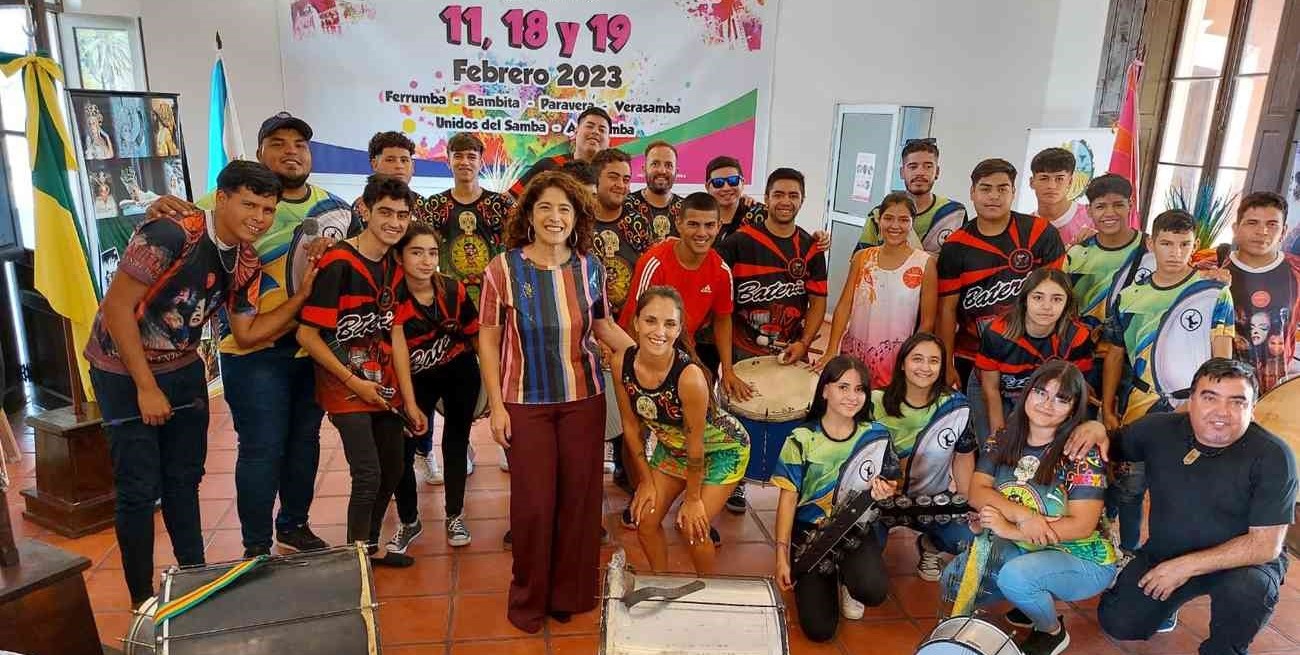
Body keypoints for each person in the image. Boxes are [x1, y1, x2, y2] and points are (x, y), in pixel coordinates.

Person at [149, 112, 357, 557]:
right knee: (262, 447)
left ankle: (294, 525)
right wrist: (159, 209)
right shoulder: (225, 200)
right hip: (251, 350)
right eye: (277, 143)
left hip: (313, 347)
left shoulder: (338, 209)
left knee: (304, 442)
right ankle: (256, 547)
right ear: (259, 152)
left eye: (299, 143)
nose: (290, 151)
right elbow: (179, 228)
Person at [85, 161, 286, 606]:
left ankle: (193, 578)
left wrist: (306, 295)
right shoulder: (172, 233)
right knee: (139, 490)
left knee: (184, 479)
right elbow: (116, 309)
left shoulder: (246, 260)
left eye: (268, 209)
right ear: (222, 198)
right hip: (122, 370)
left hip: (182, 366)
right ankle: (141, 599)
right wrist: (145, 387)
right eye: (249, 204)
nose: (259, 217)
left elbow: (246, 332)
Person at [478, 171, 635, 633]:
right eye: (545, 207)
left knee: (579, 500)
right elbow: (488, 340)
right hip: (524, 401)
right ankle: (529, 599)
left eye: (564, 209)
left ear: (576, 217)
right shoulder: (501, 269)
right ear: (529, 215)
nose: (554, 217)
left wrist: (656, 357)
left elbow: (604, 327)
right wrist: (497, 406)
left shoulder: (590, 268)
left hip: (583, 398)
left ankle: (570, 593)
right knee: (534, 503)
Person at [1098, 358, 1296, 654]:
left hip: (1242, 565)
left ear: (1253, 408)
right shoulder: (1158, 430)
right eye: (1210, 398)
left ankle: (1224, 649)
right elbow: (1111, 444)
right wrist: (1093, 429)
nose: (1222, 412)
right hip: (1167, 551)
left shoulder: (1274, 456)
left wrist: (1184, 567)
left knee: (1247, 590)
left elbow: (1265, 546)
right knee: (1119, 622)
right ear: (1191, 400)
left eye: (1237, 401)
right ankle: (1168, 604)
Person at [940, 360, 1118, 655]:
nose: (1047, 404)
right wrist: (1026, 517)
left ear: (1073, 409)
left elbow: (1081, 525)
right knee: (954, 582)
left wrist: (1010, 528)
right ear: (1027, 393)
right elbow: (977, 492)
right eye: (1041, 392)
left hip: (1082, 558)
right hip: (1028, 546)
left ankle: (1051, 631)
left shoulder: (1080, 453)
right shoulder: (1003, 437)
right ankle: (1031, 599)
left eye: (1061, 399)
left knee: (1016, 577)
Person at [296, 176, 415, 567]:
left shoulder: (395, 265)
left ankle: (368, 545)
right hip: (344, 386)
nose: (394, 222)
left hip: (383, 385)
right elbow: (307, 335)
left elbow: (396, 333)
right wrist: (353, 381)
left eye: (402, 215)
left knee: (393, 467)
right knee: (367, 473)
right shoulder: (338, 263)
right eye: (385, 212)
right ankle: (355, 558)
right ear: (364, 210)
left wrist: (409, 400)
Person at [618, 192, 736, 538]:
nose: (702, 232)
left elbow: (723, 319)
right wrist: (635, 368)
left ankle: (698, 505)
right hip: (640, 349)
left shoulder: (721, 270)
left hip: (682, 353)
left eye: (710, 225)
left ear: (719, 226)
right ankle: (641, 491)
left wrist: (727, 369)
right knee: (636, 425)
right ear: (679, 224)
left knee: (694, 428)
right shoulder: (655, 262)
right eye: (694, 224)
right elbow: (634, 318)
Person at [717, 167, 829, 514]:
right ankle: (735, 480)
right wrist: (726, 366)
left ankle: (794, 485)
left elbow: (818, 301)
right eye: (778, 194)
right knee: (738, 420)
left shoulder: (811, 247)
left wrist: (805, 342)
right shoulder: (737, 244)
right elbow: (721, 308)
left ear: (802, 200)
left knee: (794, 419)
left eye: (793, 195)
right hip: (742, 349)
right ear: (765, 198)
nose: (785, 201)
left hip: (791, 349)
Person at [614, 286, 749, 572]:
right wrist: (645, 481)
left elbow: (695, 445)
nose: (659, 331)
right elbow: (630, 425)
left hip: (723, 450)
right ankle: (661, 583)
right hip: (673, 447)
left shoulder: (690, 378)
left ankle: (707, 591)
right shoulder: (621, 363)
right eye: (650, 320)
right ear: (636, 322)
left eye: (669, 324)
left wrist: (692, 498)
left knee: (693, 528)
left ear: (678, 330)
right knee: (645, 521)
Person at [772, 355, 899, 641]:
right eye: (843, 387)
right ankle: (826, 576)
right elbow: (788, 500)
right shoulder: (801, 438)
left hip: (855, 528)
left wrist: (887, 489)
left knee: (873, 591)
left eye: (859, 389)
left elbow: (892, 481)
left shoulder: (877, 435)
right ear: (825, 390)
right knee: (819, 631)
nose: (852, 397)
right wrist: (781, 556)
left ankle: (847, 578)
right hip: (811, 534)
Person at [413, 132, 512, 473]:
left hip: (495, 306)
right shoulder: (433, 207)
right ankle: (462, 444)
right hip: (450, 310)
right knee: (456, 378)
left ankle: (506, 441)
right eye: (459, 155)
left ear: (481, 161)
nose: (465, 162)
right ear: (449, 161)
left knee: (503, 375)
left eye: (472, 156)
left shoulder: (501, 206)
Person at [937, 158, 1065, 410]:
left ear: (1013, 192)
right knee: (979, 426)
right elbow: (947, 310)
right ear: (972, 193)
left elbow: (1059, 298)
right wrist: (947, 363)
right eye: (985, 188)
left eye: (1002, 188)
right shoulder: (955, 246)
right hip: (972, 358)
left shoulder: (1041, 232)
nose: (994, 196)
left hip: (1034, 359)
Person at [388, 223, 481, 551]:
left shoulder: (453, 291)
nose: (426, 261)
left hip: (460, 372)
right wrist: (410, 403)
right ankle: (409, 520)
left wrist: (492, 391)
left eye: (432, 252)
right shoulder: (392, 298)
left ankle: (454, 515)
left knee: (455, 442)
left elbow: (476, 337)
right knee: (401, 448)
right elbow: (397, 353)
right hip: (415, 379)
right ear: (399, 256)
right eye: (416, 252)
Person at [1101, 209, 1236, 428]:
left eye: (1184, 244)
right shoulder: (1128, 296)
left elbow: (1222, 363)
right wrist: (1107, 409)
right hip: (1139, 405)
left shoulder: (1212, 294)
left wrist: (1198, 404)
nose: (1175, 253)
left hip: (1195, 407)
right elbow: (1115, 354)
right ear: (1150, 244)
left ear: (1195, 245)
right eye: (1166, 244)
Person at [870, 333, 977, 581]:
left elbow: (963, 457)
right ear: (902, 363)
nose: (925, 367)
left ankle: (930, 545)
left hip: (933, 500)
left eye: (934, 361)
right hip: (880, 502)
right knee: (867, 569)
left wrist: (969, 504)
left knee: (970, 538)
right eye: (917, 359)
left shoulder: (956, 406)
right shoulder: (875, 402)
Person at [818, 191, 937, 388]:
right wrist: (831, 350)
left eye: (903, 220)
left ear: (912, 223)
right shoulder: (862, 258)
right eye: (888, 218)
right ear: (879, 220)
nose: (895, 226)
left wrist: (911, 360)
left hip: (895, 360)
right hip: (854, 353)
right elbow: (844, 306)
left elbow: (927, 322)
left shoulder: (925, 263)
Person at [975, 268, 1094, 436]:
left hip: (1045, 397)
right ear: (1025, 300)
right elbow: (990, 389)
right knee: (994, 444)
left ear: (1067, 304)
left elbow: (1076, 392)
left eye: (1057, 299)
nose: (1046, 306)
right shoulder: (997, 333)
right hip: (998, 391)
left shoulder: (1077, 337)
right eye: (1038, 297)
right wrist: (998, 439)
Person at [1220, 191, 1300, 394]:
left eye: (1272, 224)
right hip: (1219, 387)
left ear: (1284, 231)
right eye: (1252, 222)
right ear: (1236, 228)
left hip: (1274, 393)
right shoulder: (1212, 269)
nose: (1262, 231)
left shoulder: (1296, 272)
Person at [855, 138, 967, 253]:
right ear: (902, 172)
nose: (920, 172)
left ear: (937, 172)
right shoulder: (879, 215)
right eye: (913, 167)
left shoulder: (954, 213)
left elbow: (960, 259)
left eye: (928, 166)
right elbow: (860, 260)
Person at [591, 148, 653, 317]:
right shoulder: (579, 223)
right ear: (595, 179)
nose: (621, 185)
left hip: (631, 321)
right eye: (613, 177)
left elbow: (649, 276)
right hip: (589, 322)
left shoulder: (638, 223)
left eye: (626, 179)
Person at [508, 106, 611, 198]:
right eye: (590, 126)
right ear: (576, 132)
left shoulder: (612, 176)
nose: (595, 132)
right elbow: (509, 198)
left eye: (602, 130)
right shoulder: (549, 166)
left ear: (609, 141)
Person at [1029, 147, 1093, 246]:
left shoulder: (1092, 218)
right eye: (1044, 178)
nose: (1051, 186)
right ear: (1032, 182)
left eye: (1059, 179)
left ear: (1070, 182)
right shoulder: (1024, 227)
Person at [625, 140, 684, 242]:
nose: (662, 171)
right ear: (644, 169)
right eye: (655, 164)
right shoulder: (626, 205)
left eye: (668, 165)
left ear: (676, 172)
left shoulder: (686, 209)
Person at [354, 131, 415, 224]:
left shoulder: (425, 205)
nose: (399, 166)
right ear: (374, 164)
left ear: (413, 166)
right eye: (390, 160)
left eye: (404, 160)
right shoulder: (362, 207)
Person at [704, 155, 768, 242]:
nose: (726, 188)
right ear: (707, 187)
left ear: (742, 183)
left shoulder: (760, 214)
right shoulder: (699, 216)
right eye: (718, 182)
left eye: (733, 180)